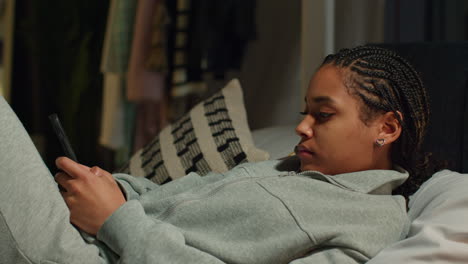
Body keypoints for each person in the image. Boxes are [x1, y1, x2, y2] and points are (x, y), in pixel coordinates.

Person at [0, 46, 439, 264]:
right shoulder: (293, 166)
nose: (302, 126)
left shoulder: (371, 228)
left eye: (323, 115)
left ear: (387, 128)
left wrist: (116, 219)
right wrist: (117, 188)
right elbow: (179, 201)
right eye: (305, 112)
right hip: (97, 232)